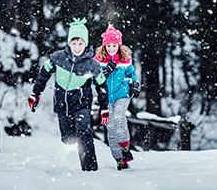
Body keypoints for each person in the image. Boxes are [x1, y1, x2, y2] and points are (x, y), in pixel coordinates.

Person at [28, 18, 109, 171]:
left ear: (85, 44)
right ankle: (72, 141)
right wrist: (35, 93)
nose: (77, 47)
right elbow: (43, 74)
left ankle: (90, 169)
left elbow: (102, 85)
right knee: (68, 139)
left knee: (84, 131)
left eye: (80, 44)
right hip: (62, 102)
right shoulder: (57, 58)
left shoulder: (92, 65)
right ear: (69, 43)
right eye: (74, 43)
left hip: (81, 102)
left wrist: (104, 107)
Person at [94, 26, 140, 170]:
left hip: (122, 95)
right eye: (109, 45)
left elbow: (132, 74)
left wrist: (135, 85)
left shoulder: (125, 59)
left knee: (119, 117)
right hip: (106, 98)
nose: (112, 48)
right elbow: (93, 80)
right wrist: (106, 71)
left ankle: (125, 149)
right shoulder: (98, 60)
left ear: (119, 45)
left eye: (115, 45)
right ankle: (119, 160)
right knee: (111, 127)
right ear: (104, 46)